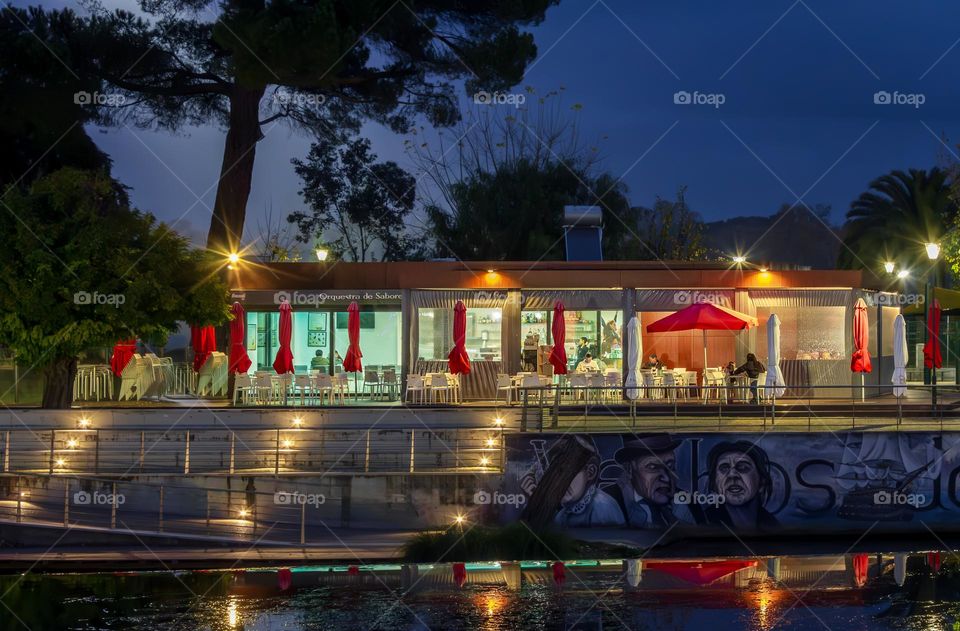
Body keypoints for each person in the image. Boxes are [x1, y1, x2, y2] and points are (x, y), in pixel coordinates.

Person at [607, 434, 695, 529]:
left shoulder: (687, 502)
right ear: (629, 469)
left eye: (670, 466)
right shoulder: (607, 503)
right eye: (653, 467)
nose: (667, 478)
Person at [702, 441, 779, 531]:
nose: (732, 475)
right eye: (724, 468)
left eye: (743, 467)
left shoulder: (775, 528)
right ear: (714, 484)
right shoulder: (701, 523)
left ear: (762, 482)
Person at [552, 438, 625, 528]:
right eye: (555, 474)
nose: (559, 481)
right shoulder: (562, 514)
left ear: (590, 472)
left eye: (568, 472)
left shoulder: (602, 508)